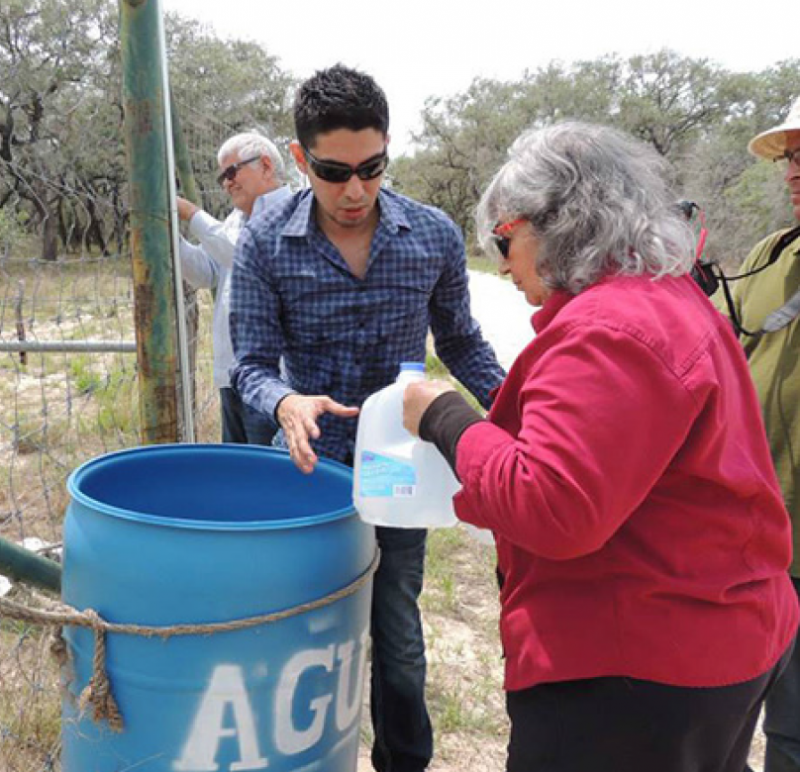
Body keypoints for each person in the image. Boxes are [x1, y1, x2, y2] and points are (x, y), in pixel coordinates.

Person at [401, 121, 799, 772]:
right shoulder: (667, 296)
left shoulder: (610, 327)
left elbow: (552, 506)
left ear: (555, 222)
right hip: (711, 636)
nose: (501, 264)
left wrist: (446, 418)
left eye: (504, 239)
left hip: (635, 664)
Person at [229, 64, 504, 772]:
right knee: (297, 630)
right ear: (300, 158)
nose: (355, 190)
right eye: (333, 172)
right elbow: (250, 365)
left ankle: (402, 761)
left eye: (372, 168)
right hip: (308, 466)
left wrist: (518, 408)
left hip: (393, 468)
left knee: (398, 636)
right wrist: (285, 401)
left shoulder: (432, 235)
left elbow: (462, 342)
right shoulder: (265, 241)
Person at [714, 98, 800, 772]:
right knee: (727, 715)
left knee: (794, 730)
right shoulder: (771, 252)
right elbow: (712, 344)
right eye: (791, 157)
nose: (792, 172)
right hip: (753, 533)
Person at [176, 132, 291, 444]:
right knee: (239, 466)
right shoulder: (236, 219)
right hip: (232, 373)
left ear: (265, 165)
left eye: (231, 172)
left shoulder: (291, 212)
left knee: (267, 468)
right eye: (222, 176)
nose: (226, 183)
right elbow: (205, 273)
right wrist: (169, 231)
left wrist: (190, 213)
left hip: (273, 380)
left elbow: (245, 255)